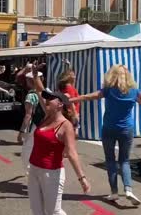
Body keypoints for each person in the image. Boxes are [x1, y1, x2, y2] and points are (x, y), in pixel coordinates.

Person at [70, 65, 141, 205]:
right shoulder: (134, 92)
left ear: (112, 75)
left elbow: (89, 97)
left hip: (109, 129)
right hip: (126, 130)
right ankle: (128, 189)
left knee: (110, 160)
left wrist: (71, 100)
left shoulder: (108, 91)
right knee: (124, 161)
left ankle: (114, 192)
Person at [27, 69, 90, 215]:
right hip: (34, 169)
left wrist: (82, 179)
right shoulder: (48, 115)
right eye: (47, 98)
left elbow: (72, 153)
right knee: (36, 211)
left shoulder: (65, 126)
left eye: (51, 98)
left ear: (60, 104)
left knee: (53, 211)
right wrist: (36, 76)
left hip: (52, 173)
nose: (47, 100)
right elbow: (40, 90)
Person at [17, 71, 44, 175]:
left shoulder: (30, 96)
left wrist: (21, 132)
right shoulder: (47, 92)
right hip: (46, 125)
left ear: (29, 81)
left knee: (26, 152)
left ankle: (32, 174)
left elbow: (28, 115)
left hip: (34, 126)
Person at [58, 67, 80, 136]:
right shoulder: (69, 87)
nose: (75, 77)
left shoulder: (66, 86)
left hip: (69, 114)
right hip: (71, 115)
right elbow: (70, 102)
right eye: (73, 75)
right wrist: (75, 117)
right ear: (69, 77)